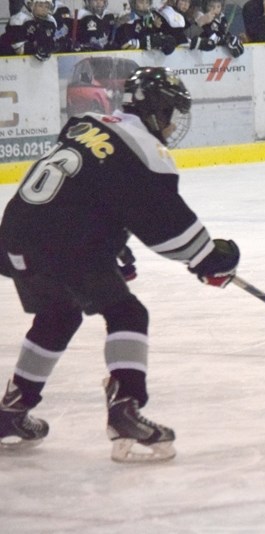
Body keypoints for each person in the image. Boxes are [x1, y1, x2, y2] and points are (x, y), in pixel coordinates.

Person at [0, 67, 240, 462]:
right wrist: (210, 258)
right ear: (155, 111)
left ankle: (12, 409)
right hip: (63, 242)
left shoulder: (87, 125)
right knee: (127, 313)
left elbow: (91, 191)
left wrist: (113, 245)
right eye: (168, 113)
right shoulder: (145, 151)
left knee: (58, 316)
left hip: (17, 232)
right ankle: (124, 410)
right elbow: (165, 223)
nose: (171, 123)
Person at [112, 0, 185, 53]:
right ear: (134, 3)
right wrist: (146, 42)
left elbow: (160, 37)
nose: (144, 5)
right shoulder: (126, 19)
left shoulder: (151, 17)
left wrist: (164, 39)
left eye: (147, 2)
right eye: (141, 2)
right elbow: (124, 45)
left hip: (148, 62)